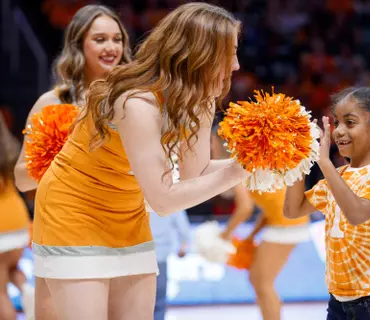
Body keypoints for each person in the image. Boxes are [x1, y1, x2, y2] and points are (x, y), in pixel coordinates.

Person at [31, 2, 248, 319]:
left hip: (128, 214)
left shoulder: (198, 99)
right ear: (201, 54)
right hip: (74, 213)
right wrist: (237, 171)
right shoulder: (137, 102)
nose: (236, 65)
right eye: (230, 53)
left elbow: (195, 174)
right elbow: (163, 200)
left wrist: (253, 164)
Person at [14, 4, 132, 319]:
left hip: (124, 234)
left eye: (116, 39)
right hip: (63, 234)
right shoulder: (52, 102)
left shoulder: (133, 100)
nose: (112, 47)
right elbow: (22, 178)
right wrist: (64, 155)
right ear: (79, 44)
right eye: (100, 39)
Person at [284, 87, 370, 320]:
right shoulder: (338, 176)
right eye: (337, 122)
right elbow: (293, 209)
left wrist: (325, 163)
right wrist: (297, 159)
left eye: (350, 123)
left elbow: (357, 214)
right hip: (338, 299)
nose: (338, 131)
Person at [212, 129, 311, 320]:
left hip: (288, 225)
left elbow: (245, 209)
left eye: (212, 143)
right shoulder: (251, 164)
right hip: (283, 222)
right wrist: (251, 236)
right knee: (258, 280)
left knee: (262, 282)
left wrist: (225, 235)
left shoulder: (238, 167)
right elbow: (271, 208)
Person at [0, 112, 34, 320]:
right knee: (10, 268)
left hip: (2, 231)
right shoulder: (9, 150)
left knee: (0, 292)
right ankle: (28, 292)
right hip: (19, 225)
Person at [149, 209, 190, 320]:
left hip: (137, 254)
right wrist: (184, 243)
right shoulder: (167, 194)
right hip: (159, 254)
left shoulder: (136, 194)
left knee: (138, 300)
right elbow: (181, 223)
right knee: (159, 300)